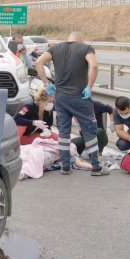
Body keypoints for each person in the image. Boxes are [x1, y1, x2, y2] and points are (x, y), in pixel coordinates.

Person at [35, 31, 107, 176]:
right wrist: (89, 87)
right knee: (89, 131)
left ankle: (65, 166)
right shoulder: (85, 48)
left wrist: (46, 83)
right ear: (81, 39)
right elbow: (94, 66)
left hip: (60, 97)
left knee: (63, 133)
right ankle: (96, 167)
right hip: (80, 97)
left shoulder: (55, 49)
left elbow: (38, 62)